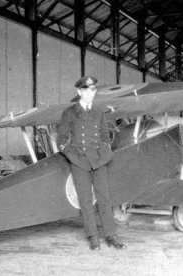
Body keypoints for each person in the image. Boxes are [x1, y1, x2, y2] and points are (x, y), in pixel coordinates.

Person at [58, 76, 126, 251]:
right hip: (79, 161)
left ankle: (111, 236)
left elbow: (105, 136)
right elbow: (62, 140)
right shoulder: (69, 113)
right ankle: (93, 237)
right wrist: (73, 156)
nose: (90, 94)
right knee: (85, 200)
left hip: (99, 160)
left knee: (105, 198)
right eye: (87, 90)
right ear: (79, 91)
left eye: (93, 90)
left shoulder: (99, 112)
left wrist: (104, 152)